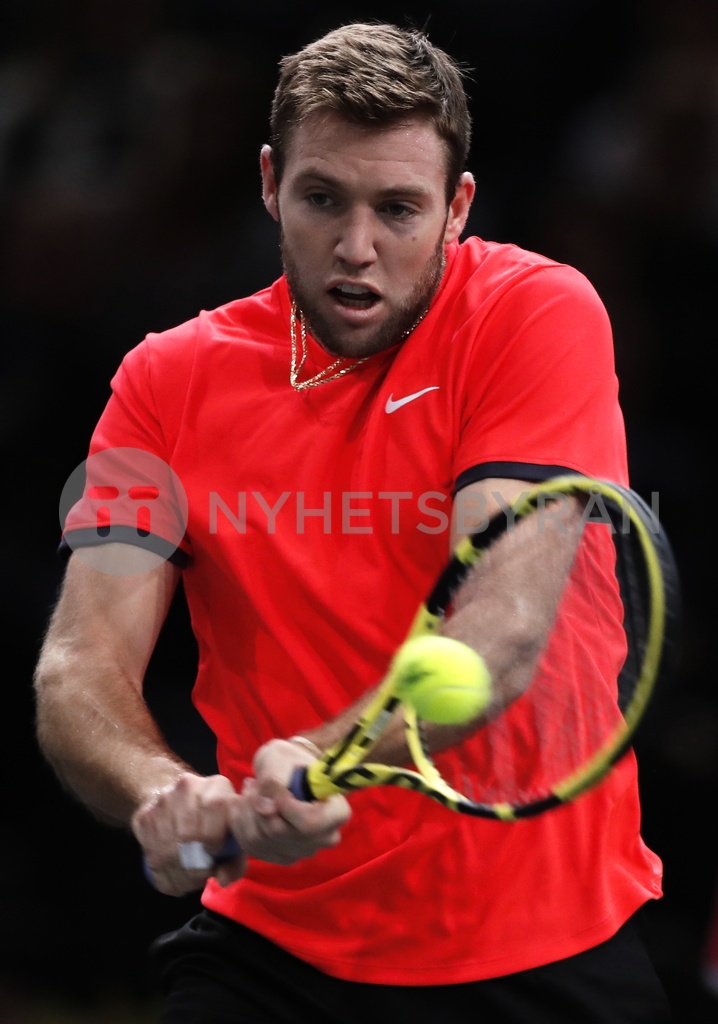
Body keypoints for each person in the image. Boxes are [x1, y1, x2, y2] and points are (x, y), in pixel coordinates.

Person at [33, 21, 672, 1024]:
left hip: (544, 951)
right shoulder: (163, 380)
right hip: (272, 950)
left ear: (457, 206)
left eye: (399, 209)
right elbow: (79, 666)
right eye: (322, 199)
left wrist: (323, 754)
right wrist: (163, 788)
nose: (356, 248)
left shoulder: (538, 314)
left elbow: (498, 631)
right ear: (267, 183)